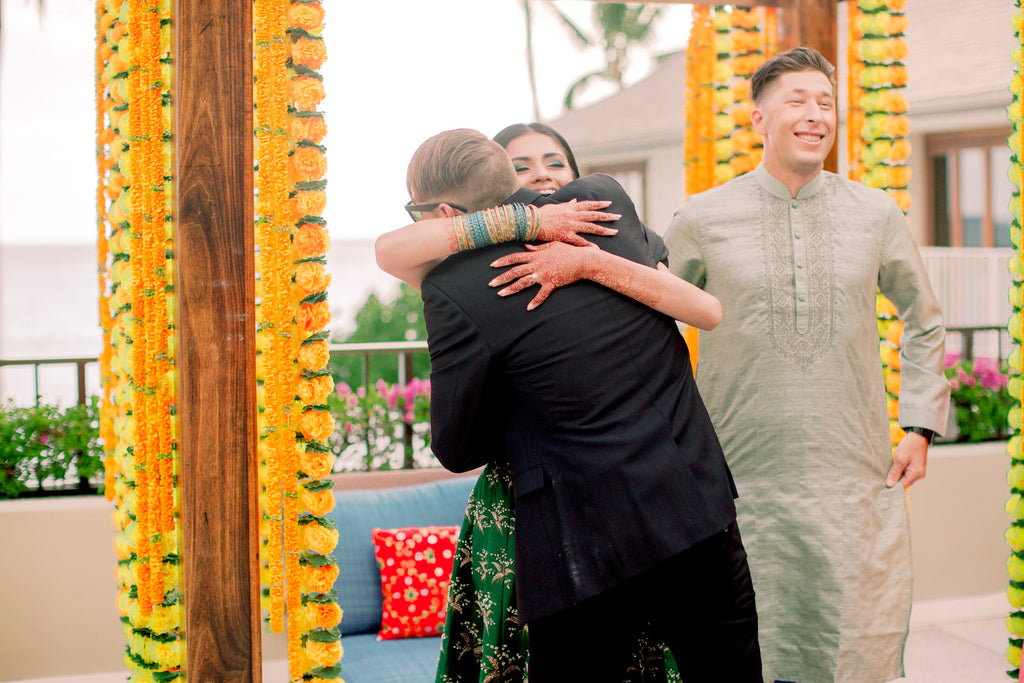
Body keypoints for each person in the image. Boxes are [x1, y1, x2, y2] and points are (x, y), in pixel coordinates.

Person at [377, 127, 762, 683]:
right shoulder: (606, 201)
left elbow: (459, 449)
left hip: (584, 543)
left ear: (442, 212)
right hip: (695, 506)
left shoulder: (453, 288)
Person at [656, 47, 949, 683]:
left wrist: (920, 426)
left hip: (852, 474)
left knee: (852, 644)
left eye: (825, 103)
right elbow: (645, 326)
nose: (815, 115)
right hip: (739, 478)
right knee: (743, 648)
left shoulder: (875, 213)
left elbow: (923, 319)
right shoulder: (702, 219)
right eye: (797, 100)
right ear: (758, 119)